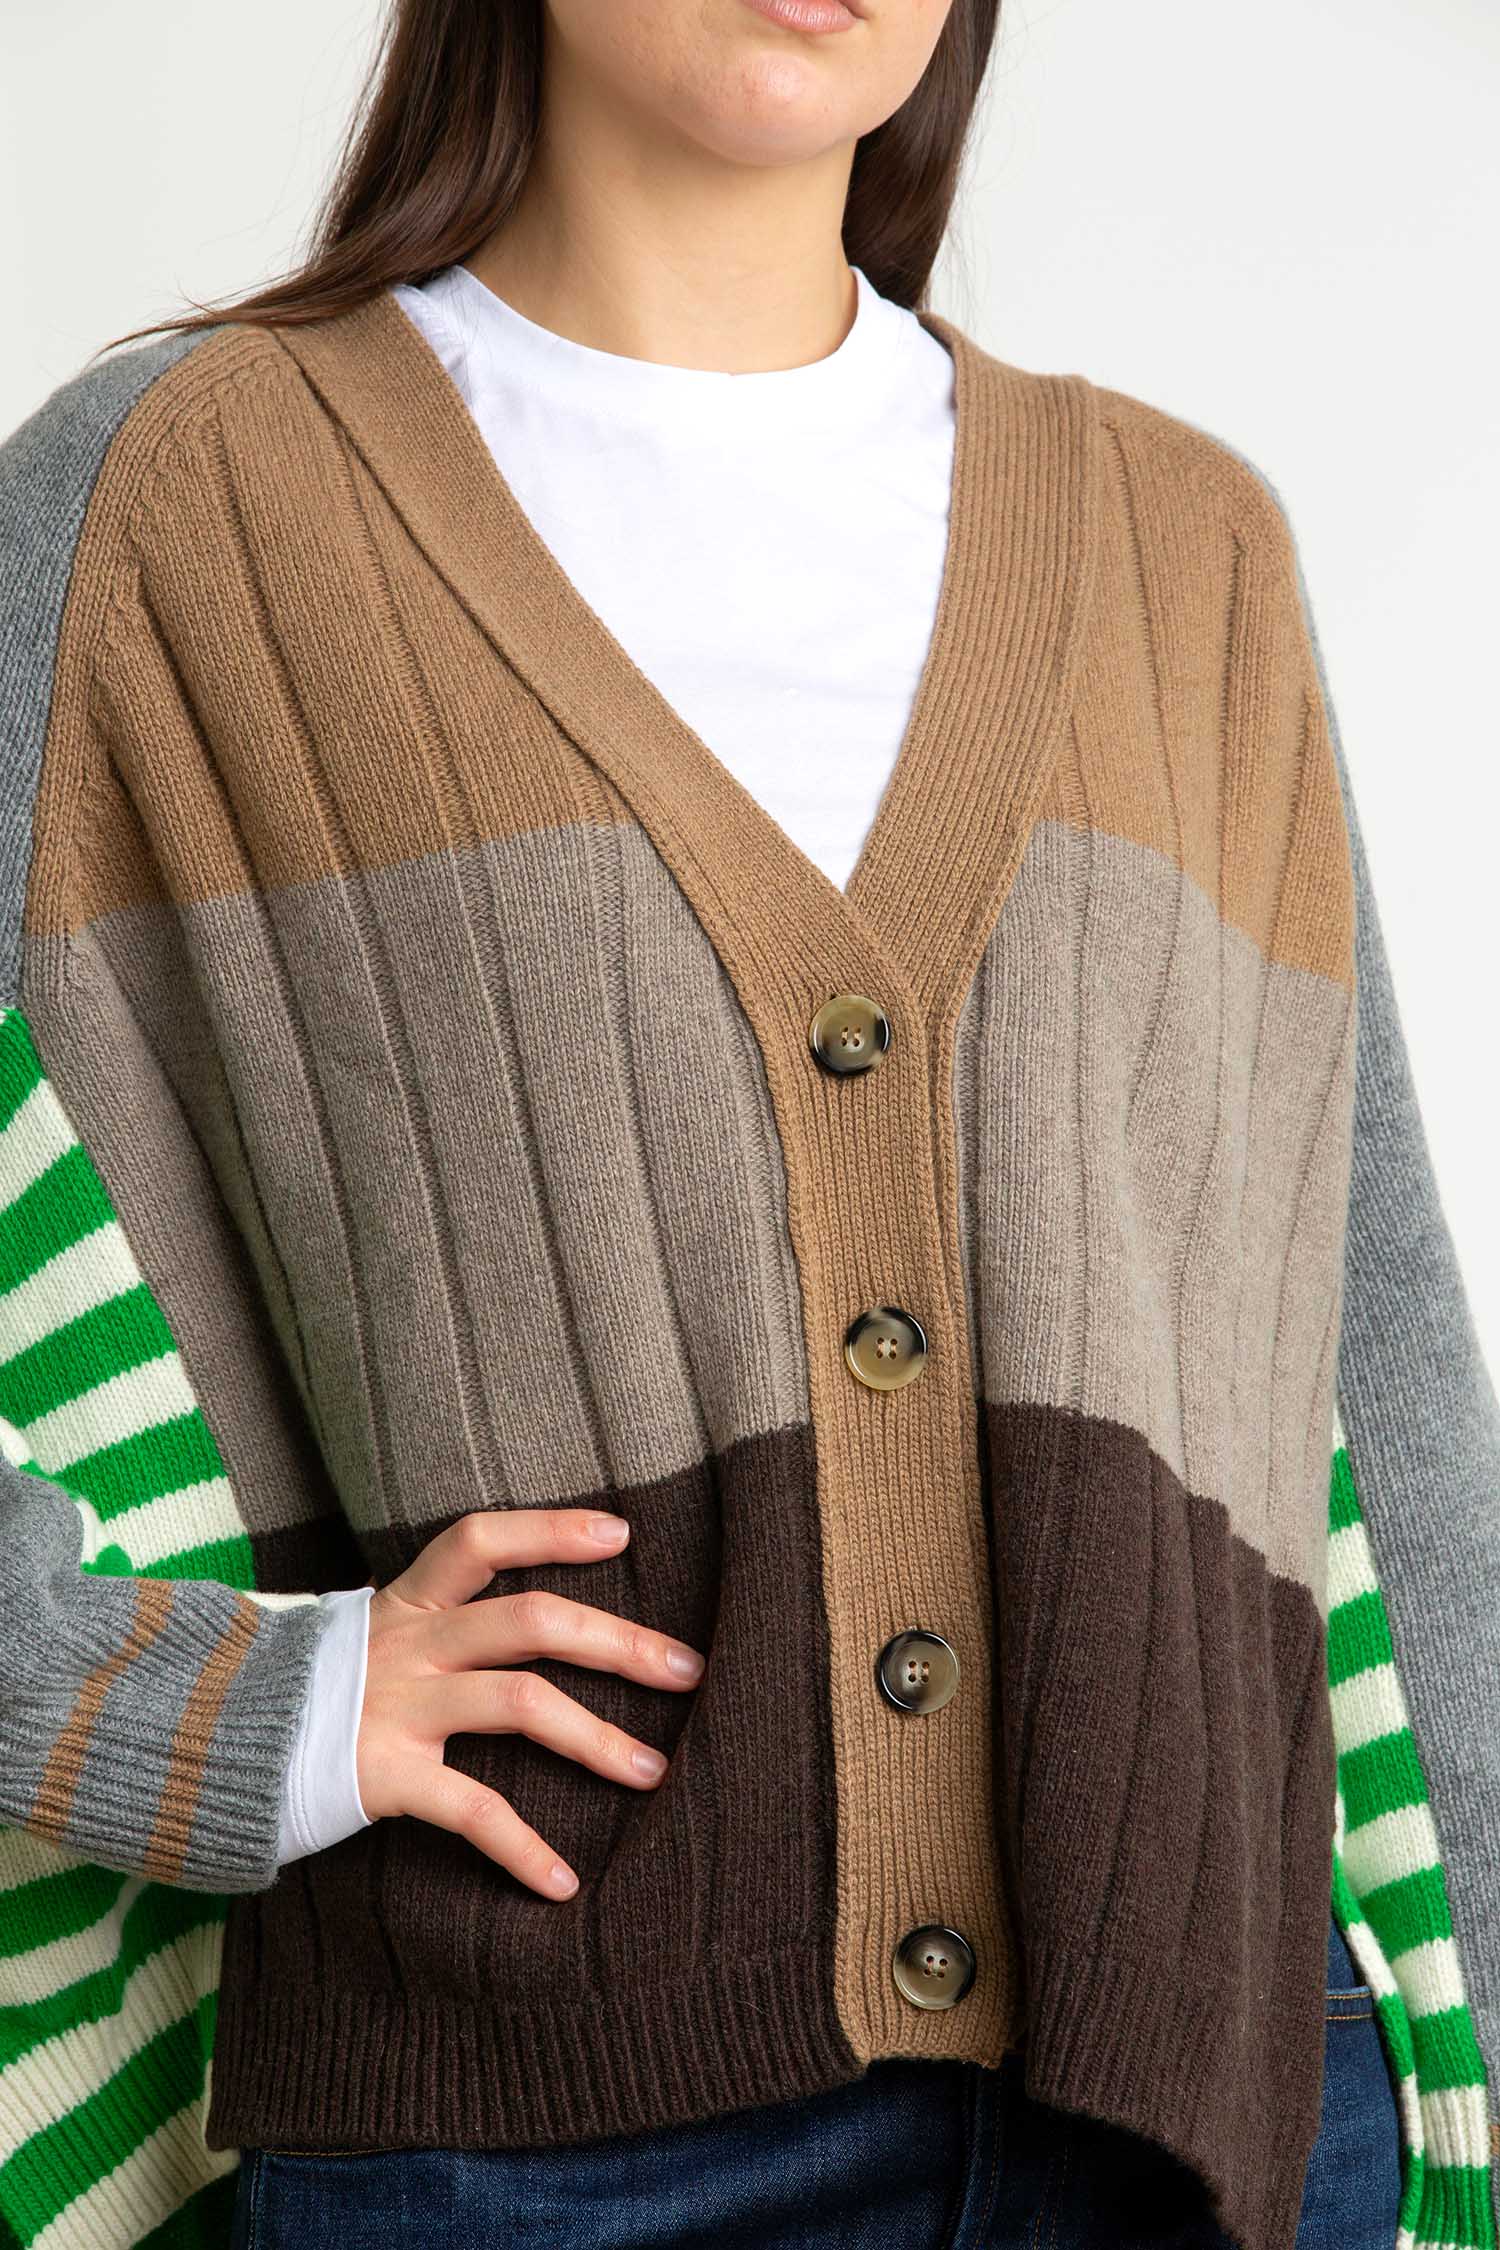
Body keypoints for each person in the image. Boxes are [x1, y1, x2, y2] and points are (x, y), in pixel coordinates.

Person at [1, 2, 1496, 2245]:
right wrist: (234, 1715)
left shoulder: (1188, 557)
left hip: (1213, 2119)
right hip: (519, 2149)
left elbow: (1375, 1399)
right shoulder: (170, 512)